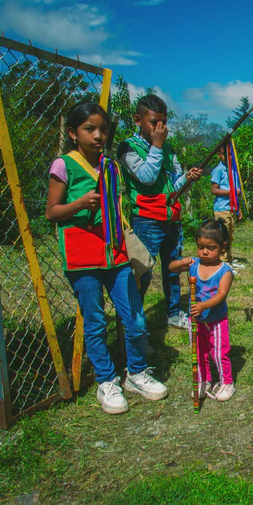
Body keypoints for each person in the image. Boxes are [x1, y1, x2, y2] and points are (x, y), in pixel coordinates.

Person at [46, 102, 167, 415]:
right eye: (90, 129)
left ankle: (137, 373)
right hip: (82, 255)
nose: (98, 135)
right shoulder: (64, 165)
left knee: (135, 317)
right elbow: (52, 212)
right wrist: (80, 203)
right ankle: (106, 380)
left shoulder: (109, 164)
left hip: (115, 252)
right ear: (73, 133)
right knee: (96, 321)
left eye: (102, 129)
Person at [118, 95, 203, 330]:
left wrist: (187, 178)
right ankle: (134, 323)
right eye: (154, 122)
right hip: (147, 220)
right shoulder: (128, 148)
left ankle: (174, 313)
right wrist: (156, 146)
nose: (160, 128)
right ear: (138, 120)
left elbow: (173, 184)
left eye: (163, 122)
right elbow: (146, 177)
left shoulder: (167, 147)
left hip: (171, 218)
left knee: (173, 268)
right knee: (142, 272)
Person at [169, 219, 236, 402]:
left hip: (216, 321)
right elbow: (171, 268)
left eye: (211, 248)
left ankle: (227, 382)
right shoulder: (194, 265)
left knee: (219, 353)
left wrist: (204, 305)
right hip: (196, 321)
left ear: (223, 247)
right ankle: (203, 380)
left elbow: (221, 295)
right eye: (200, 247)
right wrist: (181, 263)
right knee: (199, 352)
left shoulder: (224, 271)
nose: (205, 252)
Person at [210, 147, 244, 272]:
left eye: (230, 154)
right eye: (224, 154)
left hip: (231, 208)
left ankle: (229, 258)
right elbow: (214, 190)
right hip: (222, 208)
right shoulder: (218, 170)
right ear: (219, 155)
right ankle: (222, 261)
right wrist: (231, 191)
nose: (228, 157)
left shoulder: (233, 170)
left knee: (230, 235)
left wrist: (239, 209)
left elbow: (237, 192)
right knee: (223, 236)